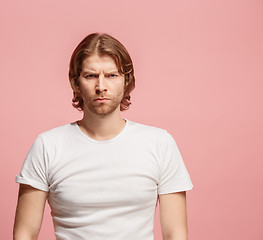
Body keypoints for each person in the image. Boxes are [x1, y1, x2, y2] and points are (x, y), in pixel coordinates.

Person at [13, 33, 193, 240]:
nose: (101, 87)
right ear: (76, 83)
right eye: (90, 76)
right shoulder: (47, 145)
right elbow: (24, 233)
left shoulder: (160, 143)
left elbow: (175, 234)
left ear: (127, 81)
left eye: (111, 75)